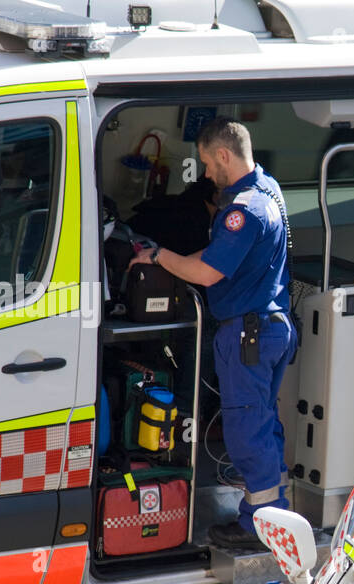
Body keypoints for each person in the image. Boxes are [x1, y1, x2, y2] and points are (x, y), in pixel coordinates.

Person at [130, 118, 295, 549]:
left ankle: (259, 527)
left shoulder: (243, 210)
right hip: (270, 329)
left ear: (224, 155)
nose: (205, 174)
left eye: (206, 163)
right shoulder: (268, 191)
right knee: (263, 422)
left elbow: (206, 271)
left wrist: (161, 256)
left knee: (246, 430)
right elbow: (219, 256)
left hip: (248, 334)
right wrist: (169, 258)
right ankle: (278, 513)